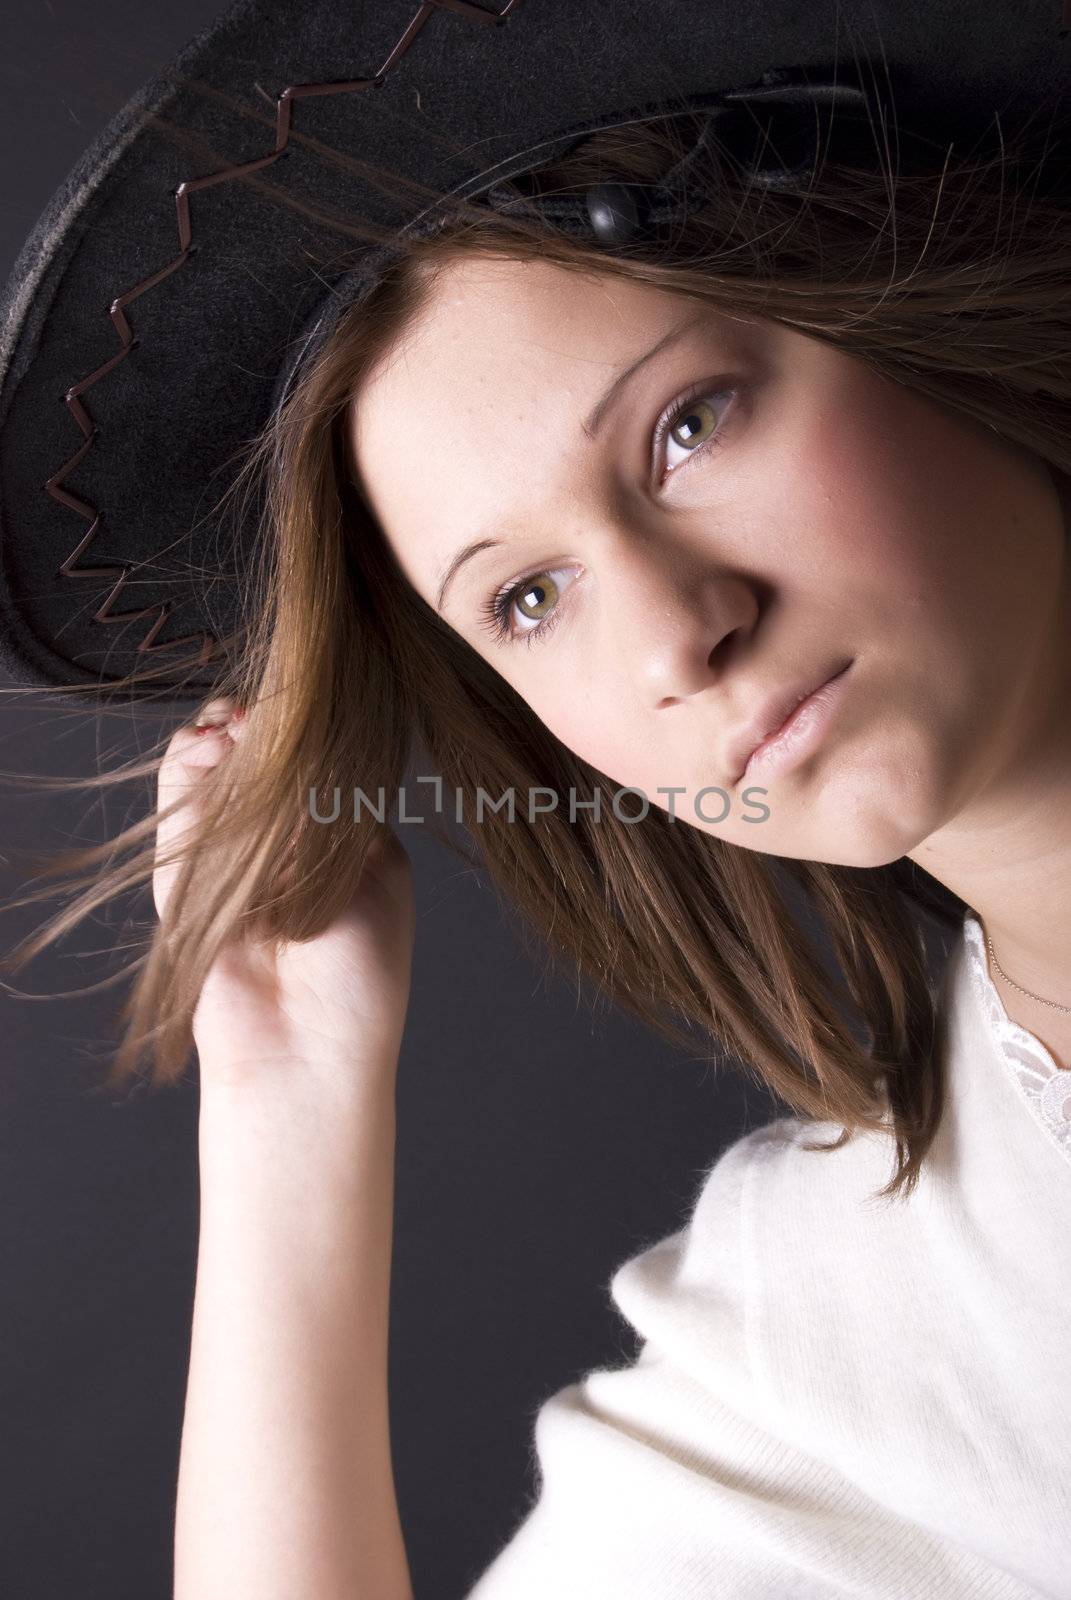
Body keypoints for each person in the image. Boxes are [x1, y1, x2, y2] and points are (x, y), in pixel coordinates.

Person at [0, 3, 1068, 1595]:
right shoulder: (844, 1308)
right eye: (526, 600)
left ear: (899, 302)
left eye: (687, 427)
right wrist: (287, 1101)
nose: (671, 634)